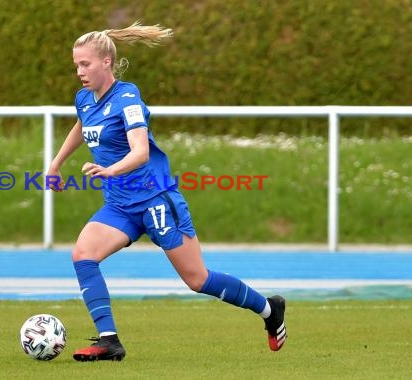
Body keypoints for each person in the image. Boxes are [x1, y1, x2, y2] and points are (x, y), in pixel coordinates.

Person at [46, 21, 287, 362]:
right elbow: (82, 124)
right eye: (76, 65)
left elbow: (140, 151)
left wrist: (110, 169)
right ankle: (109, 341)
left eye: (85, 64)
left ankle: (269, 310)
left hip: (155, 201)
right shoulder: (84, 99)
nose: (79, 72)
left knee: (198, 279)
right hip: (120, 206)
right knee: (83, 255)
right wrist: (55, 164)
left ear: (106, 62)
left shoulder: (128, 97)